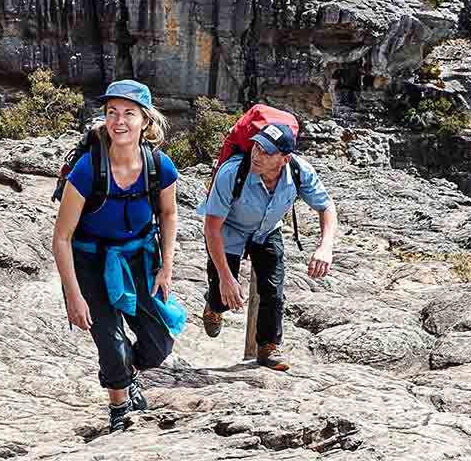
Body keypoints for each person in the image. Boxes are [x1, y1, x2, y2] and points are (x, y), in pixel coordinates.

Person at [52, 79, 184, 434]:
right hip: (89, 261)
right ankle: (119, 406)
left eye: (129, 113)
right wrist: (74, 297)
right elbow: (61, 238)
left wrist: (167, 267)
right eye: (112, 112)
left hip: (138, 258)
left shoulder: (160, 167)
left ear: (146, 121)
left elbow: (169, 215)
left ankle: (128, 372)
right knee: (111, 343)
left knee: (158, 344)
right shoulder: (87, 171)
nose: (119, 121)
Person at [199, 121, 338, 371]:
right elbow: (211, 227)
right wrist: (226, 277)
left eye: (266, 152)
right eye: (256, 147)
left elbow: (326, 207)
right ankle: (213, 305)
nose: (257, 155)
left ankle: (268, 347)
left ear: (284, 159)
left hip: (267, 231)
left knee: (273, 291)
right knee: (223, 294)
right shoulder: (231, 173)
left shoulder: (299, 171)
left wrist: (325, 246)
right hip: (229, 230)